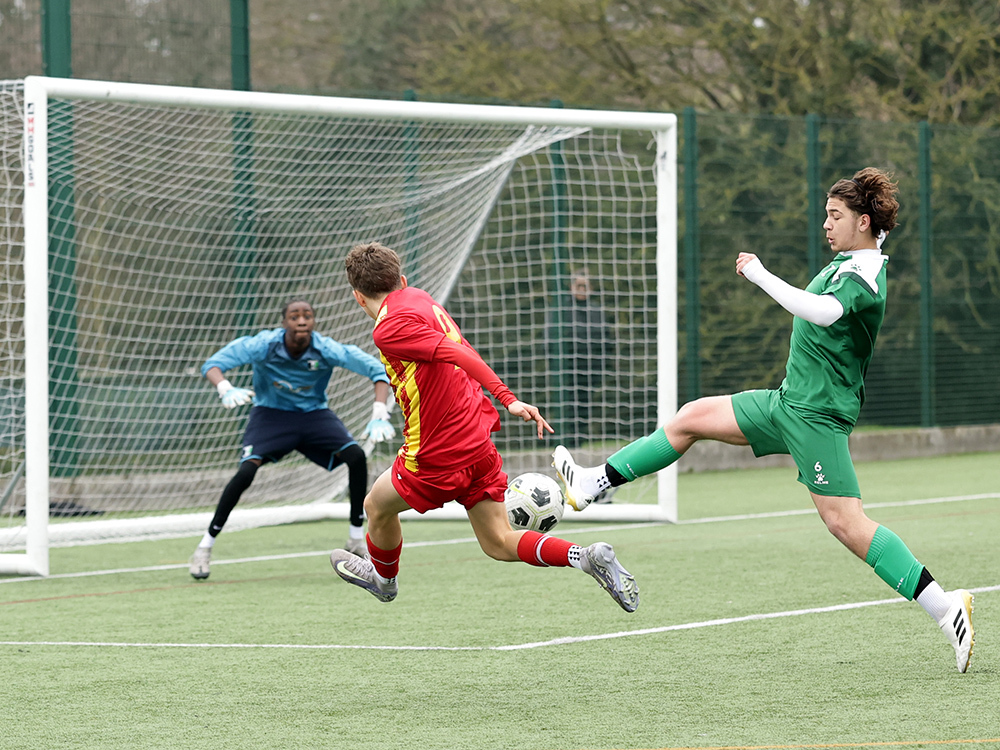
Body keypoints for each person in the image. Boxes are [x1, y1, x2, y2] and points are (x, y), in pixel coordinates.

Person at [553, 168, 975, 671]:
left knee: (845, 522)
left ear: (862, 221)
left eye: (835, 215)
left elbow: (821, 312)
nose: (826, 224)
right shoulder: (851, 261)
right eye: (825, 214)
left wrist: (760, 274)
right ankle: (592, 482)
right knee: (689, 419)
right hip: (786, 404)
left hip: (816, 418)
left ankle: (947, 607)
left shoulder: (863, 276)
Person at [332, 241, 639, 612]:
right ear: (401, 278)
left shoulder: (389, 328)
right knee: (498, 541)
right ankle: (585, 556)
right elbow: (459, 350)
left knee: (376, 506)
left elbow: (456, 352)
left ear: (358, 298)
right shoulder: (419, 298)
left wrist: (507, 397)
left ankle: (384, 581)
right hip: (476, 439)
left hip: (435, 451)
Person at [189, 299, 395, 580]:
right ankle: (205, 546)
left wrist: (379, 412)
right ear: (284, 322)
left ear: (313, 322)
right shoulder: (264, 344)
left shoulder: (326, 349)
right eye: (294, 316)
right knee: (246, 472)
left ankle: (356, 539)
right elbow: (213, 365)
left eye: (307, 316)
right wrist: (224, 387)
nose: (301, 321)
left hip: (313, 417)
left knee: (356, 457)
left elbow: (378, 371)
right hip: (270, 416)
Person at [552, 271, 615, 447]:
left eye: (585, 286)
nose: (581, 289)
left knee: (584, 403)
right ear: (571, 287)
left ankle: (579, 440)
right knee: (567, 403)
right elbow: (550, 337)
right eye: (578, 286)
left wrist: (603, 363)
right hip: (567, 368)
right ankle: (565, 441)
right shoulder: (561, 310)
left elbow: (607, 339)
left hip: (591, 368)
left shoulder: (596, 311)